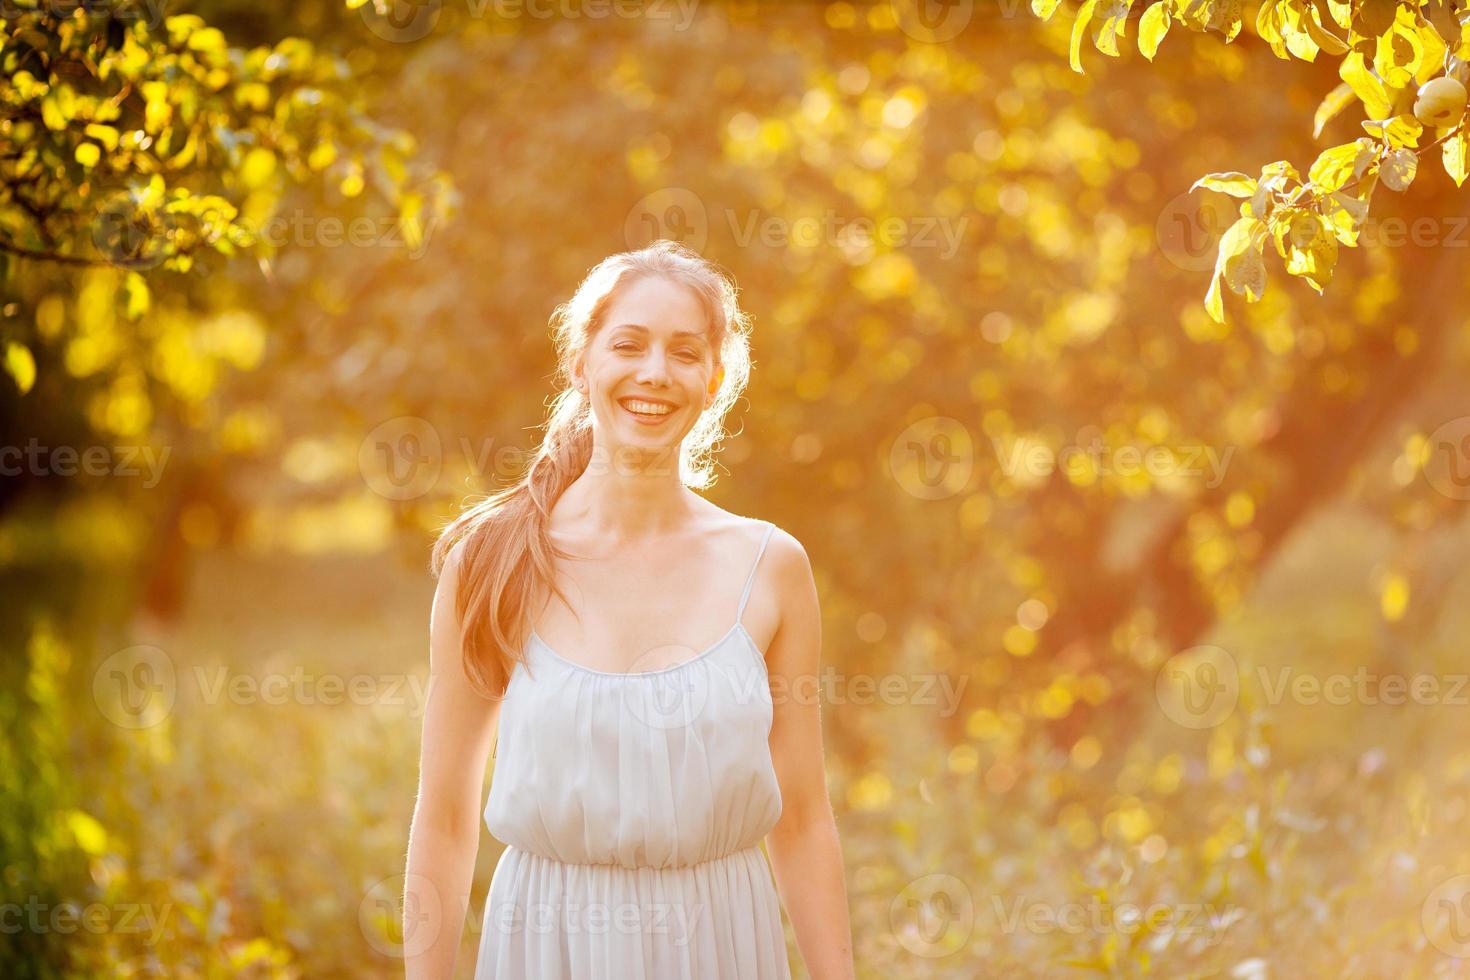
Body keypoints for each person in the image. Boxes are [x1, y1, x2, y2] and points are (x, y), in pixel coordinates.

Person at [403, 240, 856, 979]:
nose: (654, 373)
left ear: (714, 380)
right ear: (582, 363)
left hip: (722, 947)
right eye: (628, 344)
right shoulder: (492, 561)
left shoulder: (770, 567)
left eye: (684, 352)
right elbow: (445, 817)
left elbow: (803, 818)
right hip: (545, 948)